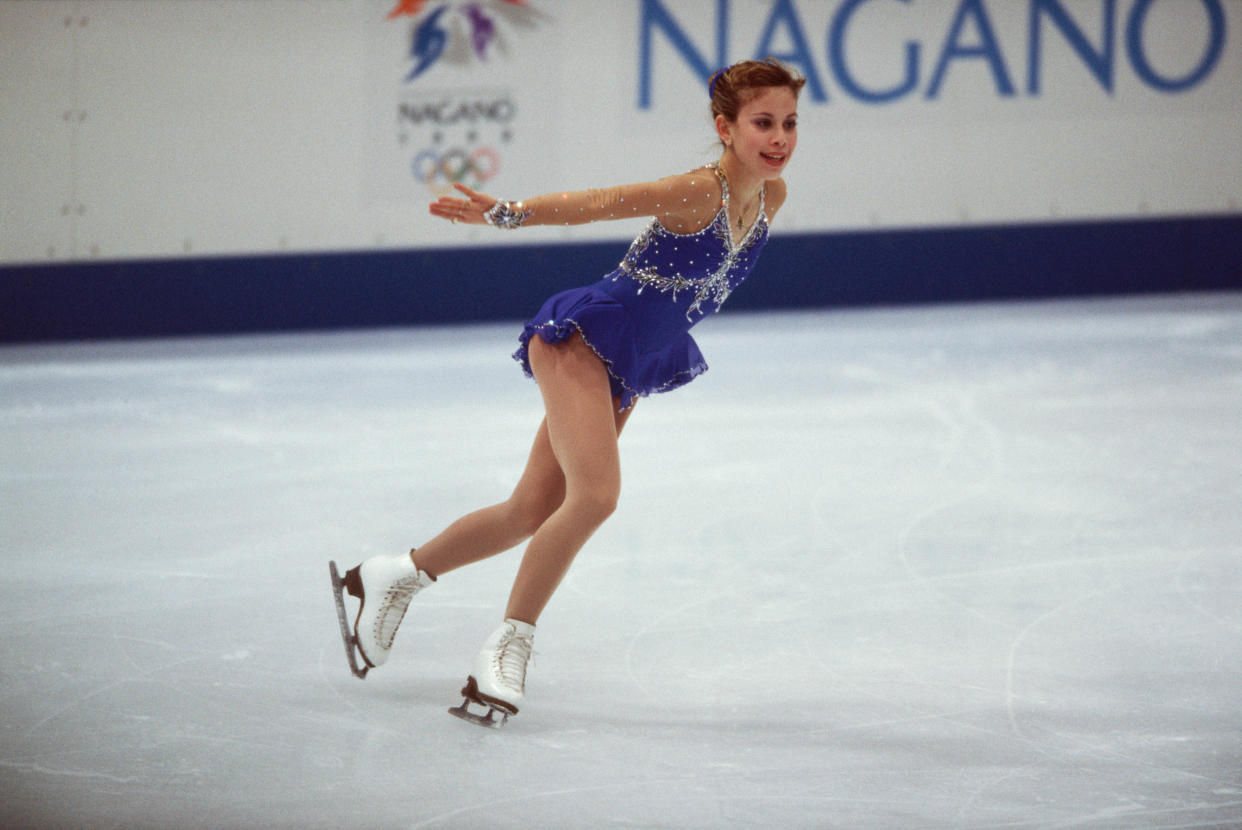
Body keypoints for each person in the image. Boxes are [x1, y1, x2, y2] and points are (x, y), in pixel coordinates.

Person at [330, 58, 805, 727]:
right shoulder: (698, 192)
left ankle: (394, 576)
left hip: (631, 361)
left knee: (531, 507)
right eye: (763, 122)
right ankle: (508, 647)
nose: (779, 136)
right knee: (596, 498)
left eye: (788, 122)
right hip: (584, 339)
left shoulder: (770, 200)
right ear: (725, 128)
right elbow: (599, 204)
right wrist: (507, 214)